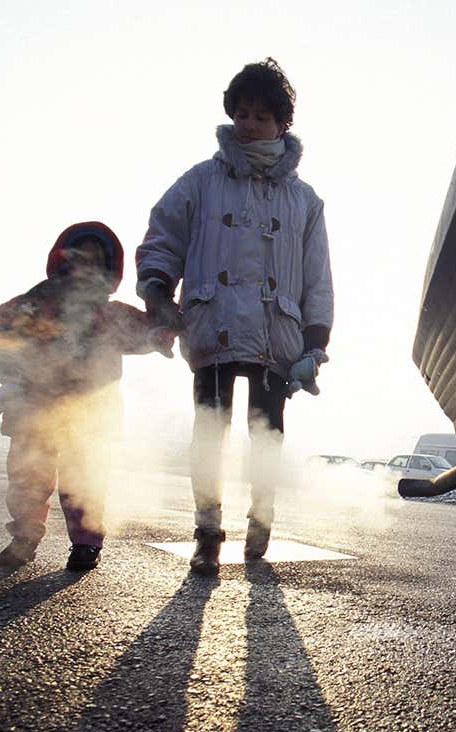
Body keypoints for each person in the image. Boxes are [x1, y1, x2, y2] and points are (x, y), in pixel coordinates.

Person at [136, 58, 334, 575]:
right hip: (213, 323)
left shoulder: (305, 200)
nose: (249, 124)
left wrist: (317, 342)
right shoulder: (201, 182)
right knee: (209, 433)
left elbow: (318, 274)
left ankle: (262, 519)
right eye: (242, 113)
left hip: (277, 335)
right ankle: (206, 533)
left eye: (261, 116)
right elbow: (164, 235)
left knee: (266, 435)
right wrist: (158, 289)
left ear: (281, 124)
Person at [0, 221, 175, 571]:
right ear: (62, 257)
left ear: (107, 268)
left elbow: (153, 332)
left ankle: (86, 544)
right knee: (27, 476)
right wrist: (12, 380)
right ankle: (24, 537)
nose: (85, 264)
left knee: (84, 479)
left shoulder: (112, 315)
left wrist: (168, 322)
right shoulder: (30, 306)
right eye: (78, 256)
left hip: (91, 413)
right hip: (34, 408)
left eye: (95, 259)